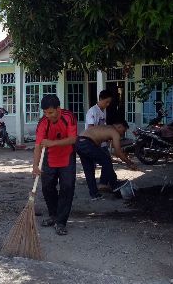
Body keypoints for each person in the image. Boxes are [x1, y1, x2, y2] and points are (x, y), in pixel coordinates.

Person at [32, 94, 77, 235]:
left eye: (50, 112)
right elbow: (38, 146)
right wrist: (35, 166)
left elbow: (72, 139)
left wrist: (52, 143)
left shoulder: (68, 117)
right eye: (45, 112)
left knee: (67, 187)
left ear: (58, 109)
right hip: (49, 159)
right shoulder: (43, 122)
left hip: (67, 158)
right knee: (47, 187)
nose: (48, 115)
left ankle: (61, 222)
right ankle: (54, 215)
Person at [76, 120, 137, 199]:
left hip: (79, 142)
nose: (122, 134)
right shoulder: (114, 132)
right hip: (87, 143)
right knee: (106, 161)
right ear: (119, 126)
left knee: (89, 169)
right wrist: (129, 163)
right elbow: (118, 152)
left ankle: (94, 194)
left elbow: (101, 146)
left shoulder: (105, 128)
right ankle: (112, 184)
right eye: (123, 131)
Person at [85, 90, 115, 195]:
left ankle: (103, 183)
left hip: (101, 144)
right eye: (106, 102)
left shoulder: (102, 112)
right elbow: (90, 129)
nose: (108, 104)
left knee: (107, 162)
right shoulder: (92, 111)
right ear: (101, 99)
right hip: (93, 143)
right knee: (92, 166)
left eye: (109, 102)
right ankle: (93, 189)